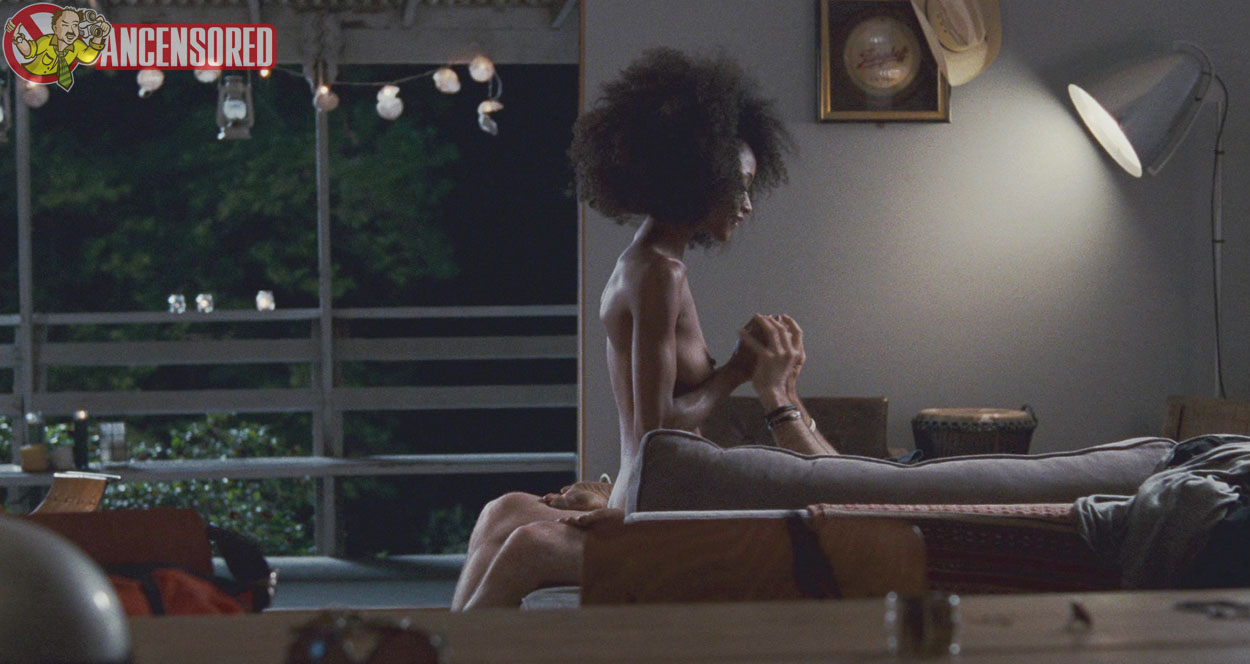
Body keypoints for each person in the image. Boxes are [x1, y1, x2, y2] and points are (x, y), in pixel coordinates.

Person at [451, 48, 836, 610]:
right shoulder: (660, 274)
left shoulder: (640, 261)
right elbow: (658, 433)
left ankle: (442, 643)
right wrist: (736, 371)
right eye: (740, 186)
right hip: (658, 503)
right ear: (699, 178)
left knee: (505, 514)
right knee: (511, 525)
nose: (748, 205)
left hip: (645, 492)